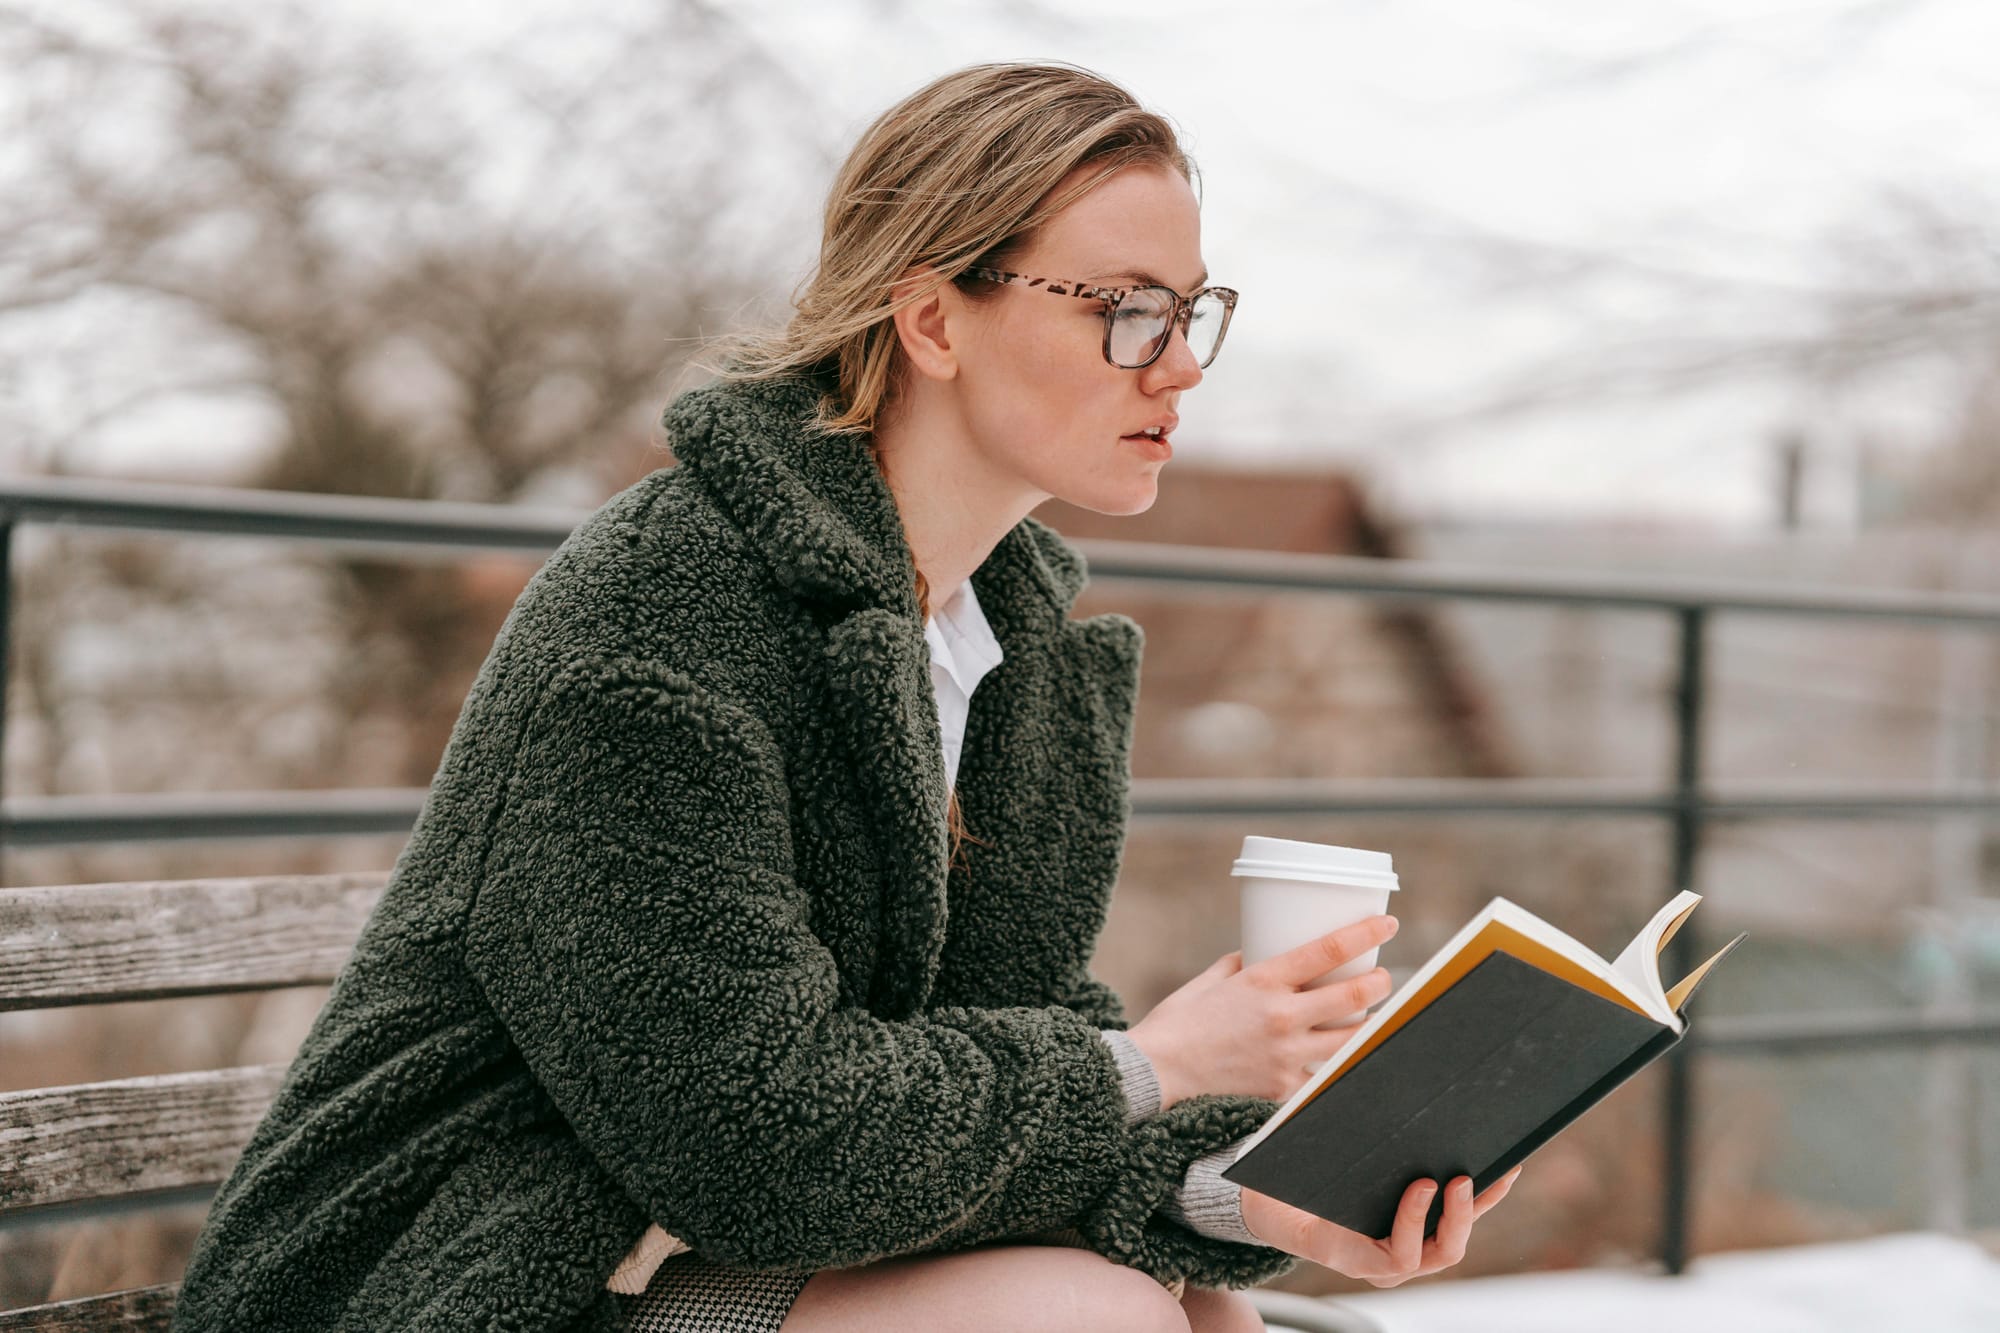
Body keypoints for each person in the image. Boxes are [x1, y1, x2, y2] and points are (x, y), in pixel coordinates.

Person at [170, 61, 1517, 1333]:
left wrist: (1249, 1195)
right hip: (469, 1286)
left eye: (1193, 308)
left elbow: (988, 1089)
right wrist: (1155, 1066)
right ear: (933, 319)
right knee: (1090, 1317)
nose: (1180, 366)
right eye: (1126, 308)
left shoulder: (1009, 643)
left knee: (1207, 1306)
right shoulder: (655, 623)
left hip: (711, 1259)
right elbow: (757, 1145)